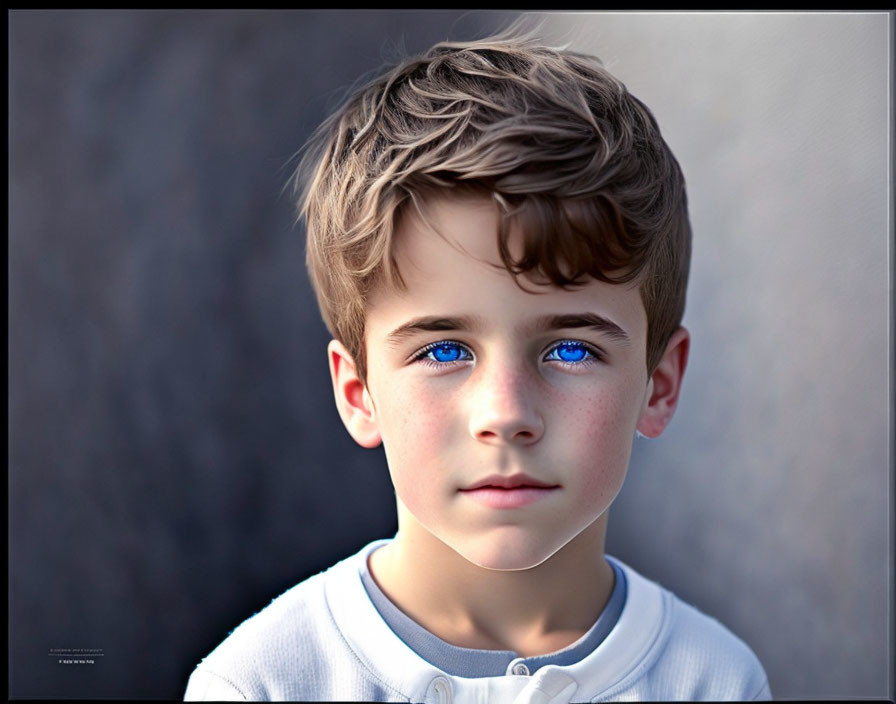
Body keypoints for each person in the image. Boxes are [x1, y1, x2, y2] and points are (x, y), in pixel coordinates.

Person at [184, 27, 771, 703]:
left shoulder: (715, 682)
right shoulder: (262, 684)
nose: (506, 414)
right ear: (358, 390)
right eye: (443, 350)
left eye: (571, 350)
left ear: (658, 384)